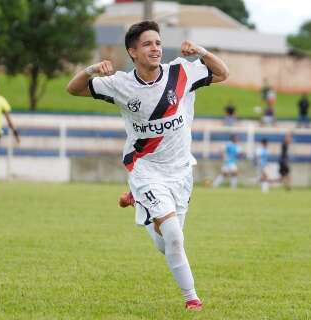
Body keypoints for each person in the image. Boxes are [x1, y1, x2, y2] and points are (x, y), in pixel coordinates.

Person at [66, 20, 229, 311]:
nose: (155, 48)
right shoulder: (120, 84)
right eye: (147, 44)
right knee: (175, 238)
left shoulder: (181, 71)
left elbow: (222, 73)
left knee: (166, 243)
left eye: (157, 43)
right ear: (132, 52)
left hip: (180, 171)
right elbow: (73, 89)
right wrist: (91, 69)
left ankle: (137, 203)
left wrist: (201, 51)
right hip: (145, 169)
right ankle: (192, 299)